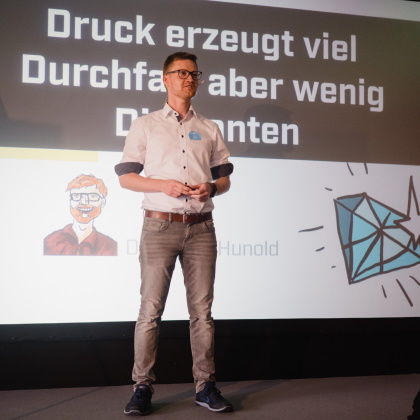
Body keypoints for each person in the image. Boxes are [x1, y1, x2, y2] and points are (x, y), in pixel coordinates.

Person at [115, 51, 234, 415]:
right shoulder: (145, 125)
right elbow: (126, 177)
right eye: (181, 73)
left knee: (202, 312)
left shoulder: (209, 127)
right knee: (150, 310)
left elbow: (224, 179)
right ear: (165, 79)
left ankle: (205, 386)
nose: (189, 78)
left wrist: (210, 188)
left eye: (194, 74)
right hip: (159, 226)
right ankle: (142, 387)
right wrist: (162, 184)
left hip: (201, 227)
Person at [44, 174, 117, 256]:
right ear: (70, 201)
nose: (84, 202)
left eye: (93, 196)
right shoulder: (50, 241)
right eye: (76, 196)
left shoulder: (111, 247)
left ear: (103, 202)